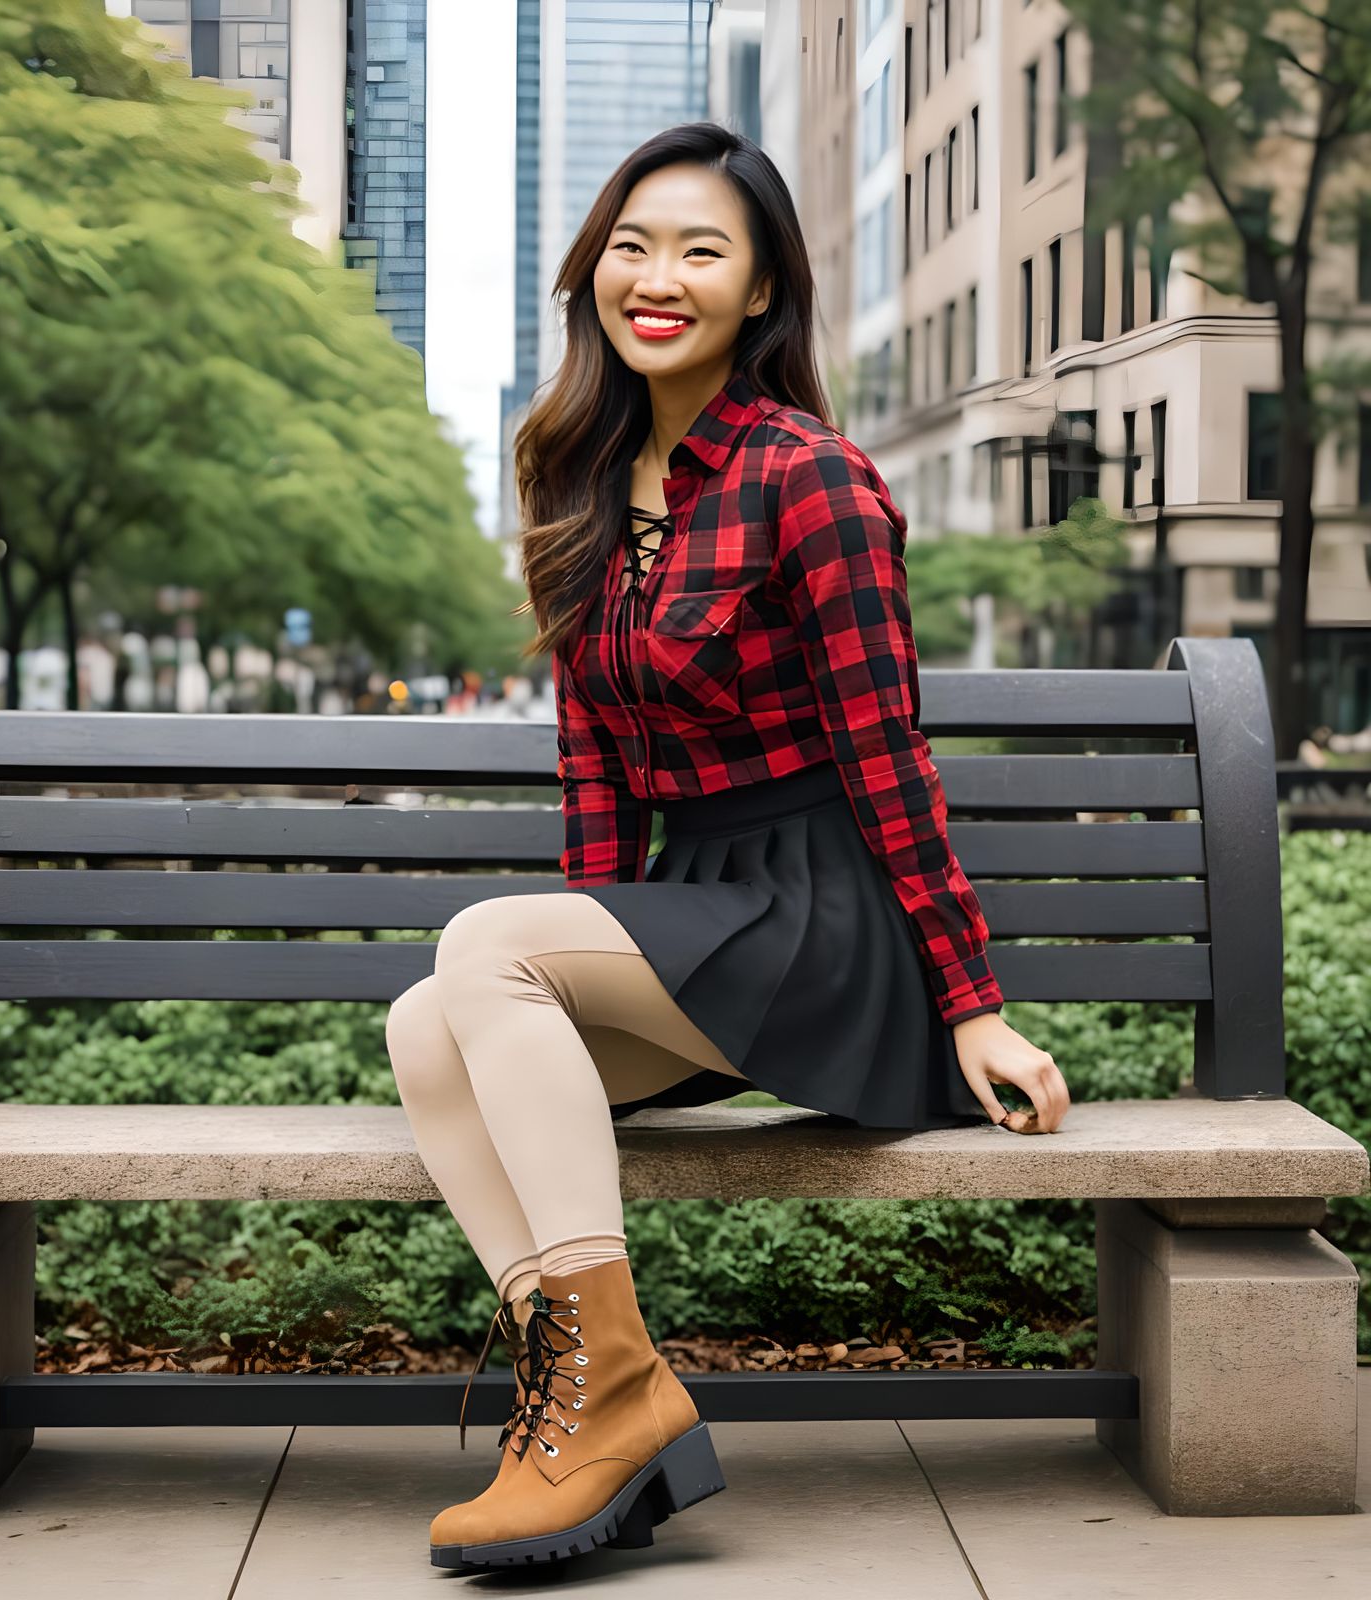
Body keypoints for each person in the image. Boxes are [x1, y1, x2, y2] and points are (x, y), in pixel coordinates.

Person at [385, 120, 1071, 1574]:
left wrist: (973, 999)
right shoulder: (571, 473)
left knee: (482, 950)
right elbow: (591, 762)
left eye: (703, 250)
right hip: (698, 914)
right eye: (634, 244)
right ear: (594, 271)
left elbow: (888, 755)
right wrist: (582, 939)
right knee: (426, 1023)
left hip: (827, 922)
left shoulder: (809, 477)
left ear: (760, 292)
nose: (660, 277)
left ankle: (608, 1407)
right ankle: (592, 1388)